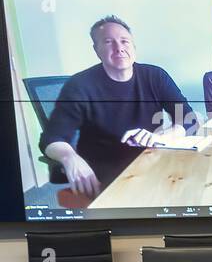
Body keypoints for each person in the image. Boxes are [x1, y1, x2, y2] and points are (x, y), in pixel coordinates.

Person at [39, 15, 197, 200]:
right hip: (105, 173)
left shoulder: (155, 76)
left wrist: (159, 137)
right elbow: (51, 139)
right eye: (108, 42)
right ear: (97, 50)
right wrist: (69, 157)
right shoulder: (80, 85)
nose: (119, 48)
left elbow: (188, 119)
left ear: (134, 46)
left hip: (152, 161)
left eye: (124, 41)